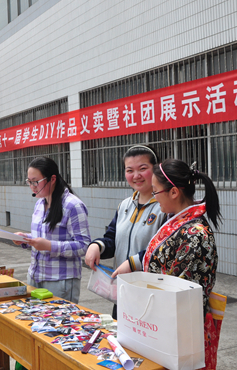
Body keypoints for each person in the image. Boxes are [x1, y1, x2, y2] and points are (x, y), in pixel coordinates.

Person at [120, 159, 221, 369]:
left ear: (174, 192)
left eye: (156, 192)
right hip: (164, 324)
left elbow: (182, 296)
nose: (155, 199)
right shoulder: (178, 222)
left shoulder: (195, 234)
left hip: (179, 330)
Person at [85, 145, 167, 318]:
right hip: (121, 293)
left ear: (156, 168)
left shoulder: (165, 207)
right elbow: (112, 239)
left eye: (143, 169)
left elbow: (164, 249)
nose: (136, 176)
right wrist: (97, 246)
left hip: (151, 297)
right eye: (130, 170)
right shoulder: (124, 205)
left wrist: (133, 263)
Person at [13, 157, 90, 304]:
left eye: (35, 181)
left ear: (52, 179)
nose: (32, 186)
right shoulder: (40, 204)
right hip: (36, 277)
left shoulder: (72, 206)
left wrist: (49, 246)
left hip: (60, 281)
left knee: (59, 325)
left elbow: (84, 246)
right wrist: (25, 238)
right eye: (29, 181)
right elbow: (41, 237)